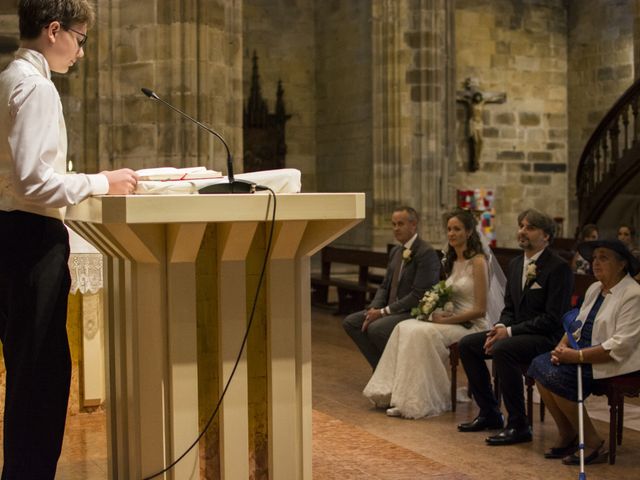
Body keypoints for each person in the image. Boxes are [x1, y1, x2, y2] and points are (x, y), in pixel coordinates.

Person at [0, 1, 138, 477]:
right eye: (79, 40)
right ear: (53, 30)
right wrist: (102, 182)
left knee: (26, 372)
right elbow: (36, 182)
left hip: (10, 233)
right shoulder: (36, 88)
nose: (80, 52)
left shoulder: (7, 79)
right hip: (31, 236)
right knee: (40, 376)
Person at [363, 208, 505, 419]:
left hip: (473, 324)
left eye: (457, 229)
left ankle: (419, 400)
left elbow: (480, 310)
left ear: (468, 232)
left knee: (422, 334)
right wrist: (434, 309)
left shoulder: (478, 262)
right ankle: (396, 394)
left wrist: (446, 319)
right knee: (404, 327)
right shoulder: (451, 261)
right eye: (449, 229)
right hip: (451, 320)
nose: (451, 234)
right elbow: (448, 297)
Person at [457, 209, 574, 446]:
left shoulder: (558, 267)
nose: (522, 231)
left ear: (547, 236)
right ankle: (490, 413)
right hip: (516, 333)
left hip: (545, 338)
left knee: (503, 349)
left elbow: (553, 318)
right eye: (521, 225)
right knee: (468, 345)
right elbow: (510, 307)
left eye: (530, 227)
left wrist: (508, 333)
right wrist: (500, 326)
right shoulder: (516, 263)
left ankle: (519, 425)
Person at [528, 239, 640, 465]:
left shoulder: (633, 294)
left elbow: (621, 344)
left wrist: (576, 356)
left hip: (613, 359)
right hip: (582, 353)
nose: (595, 263)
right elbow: (576, 323)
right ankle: (567, 433)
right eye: (594, 258)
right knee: (541, 367)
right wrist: (562, 346)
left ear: (622, 264)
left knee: (557, 377)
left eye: (604, 258)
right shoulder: (594, 288)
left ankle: (593, 443)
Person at [342, 206, 440, 369]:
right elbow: (385, 285)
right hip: (389, 309)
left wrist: (382, 312)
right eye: (393, 224)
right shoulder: (396, 251)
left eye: (400, 224)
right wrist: (375, 307)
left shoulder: (425, 252)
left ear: (413, 225)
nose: (396, 229)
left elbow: (418, 295)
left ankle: (393, 369)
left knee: (376, 329)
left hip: (412, 311)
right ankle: (383, 368)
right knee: (351, 322)